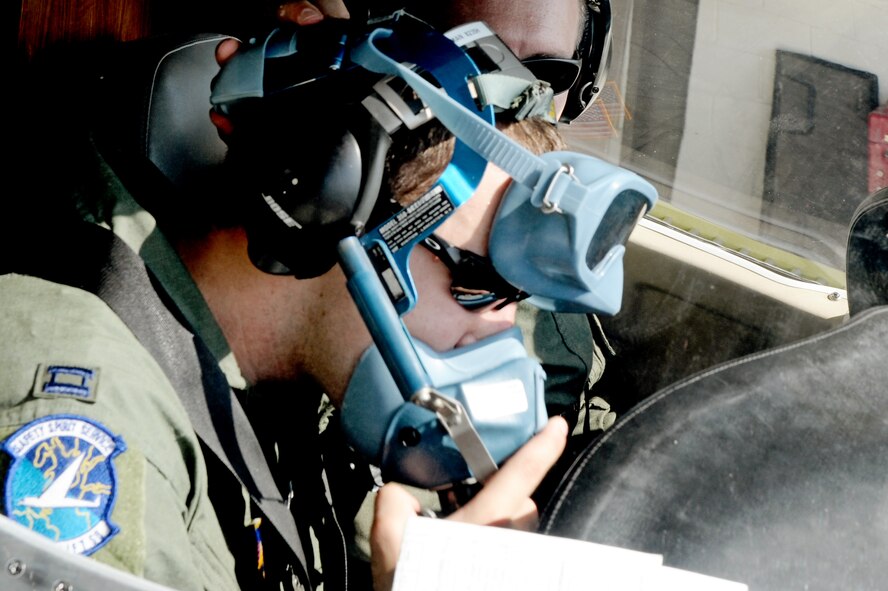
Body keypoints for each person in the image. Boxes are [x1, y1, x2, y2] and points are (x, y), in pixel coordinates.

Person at [3, 10, 576, 591]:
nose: (502, 333)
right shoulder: (84, 416)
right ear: (332, 206)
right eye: (480, 285)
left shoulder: (300, 401)